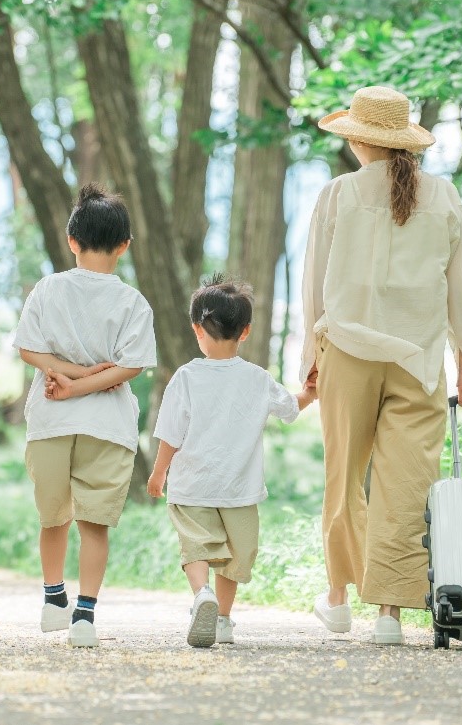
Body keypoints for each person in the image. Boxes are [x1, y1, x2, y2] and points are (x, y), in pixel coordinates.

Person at [301, 86, 462, 645]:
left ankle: (337, 599)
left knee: (345, 480)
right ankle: (389, 615)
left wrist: (310, 361)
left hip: (349, 355)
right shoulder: (444, 196)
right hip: (418, 360)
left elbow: (313, 288)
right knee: (407, 486)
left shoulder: (338, 195)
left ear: (358, 138)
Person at [12, 184, 157, 648]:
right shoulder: (133, 302)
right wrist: (84, 379)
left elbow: (27, 349)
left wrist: (66, 378)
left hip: (52, 421)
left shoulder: (48, 289)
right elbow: (130, 366)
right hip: (107, 426)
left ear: (72, 240)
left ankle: (53, 598)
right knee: (94, 524)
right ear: (124, 246)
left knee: (52, 517)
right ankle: (85, 617)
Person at [147, 275, 316, 648]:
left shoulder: (187, 377)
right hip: (239, 488)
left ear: (197, 330)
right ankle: (222, 619)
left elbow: (170, 433)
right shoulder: (257, 379)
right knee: (235, 557)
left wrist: (159, 473)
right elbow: (290, 408)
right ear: (245, 331)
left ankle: (200, 595)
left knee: (197, 546)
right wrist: (309, 393)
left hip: (193, 485)